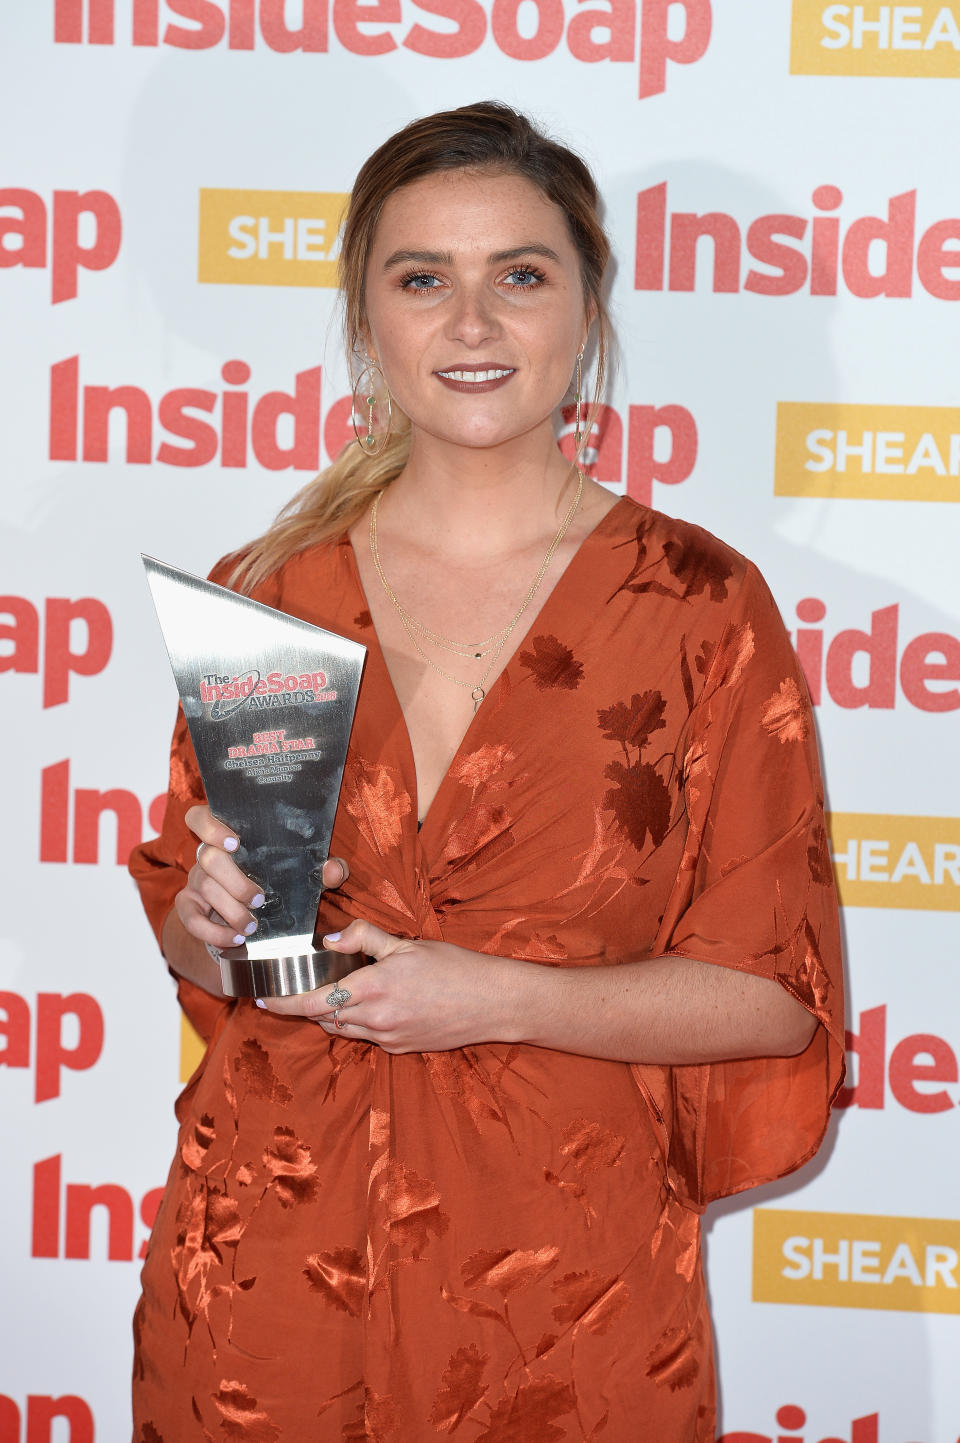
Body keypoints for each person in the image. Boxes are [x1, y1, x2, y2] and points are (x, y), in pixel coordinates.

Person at [129, 101, 844, 1442]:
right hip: (265, 1280)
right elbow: (212, 948)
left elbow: (771, 1003)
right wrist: (209, 920)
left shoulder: (697, 603)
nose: (471, 324)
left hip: (566, 1290)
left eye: (519, 274)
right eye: (422, 279)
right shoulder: (267, 594)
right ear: (365, 320)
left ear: (588, 310)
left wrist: (493, 996)